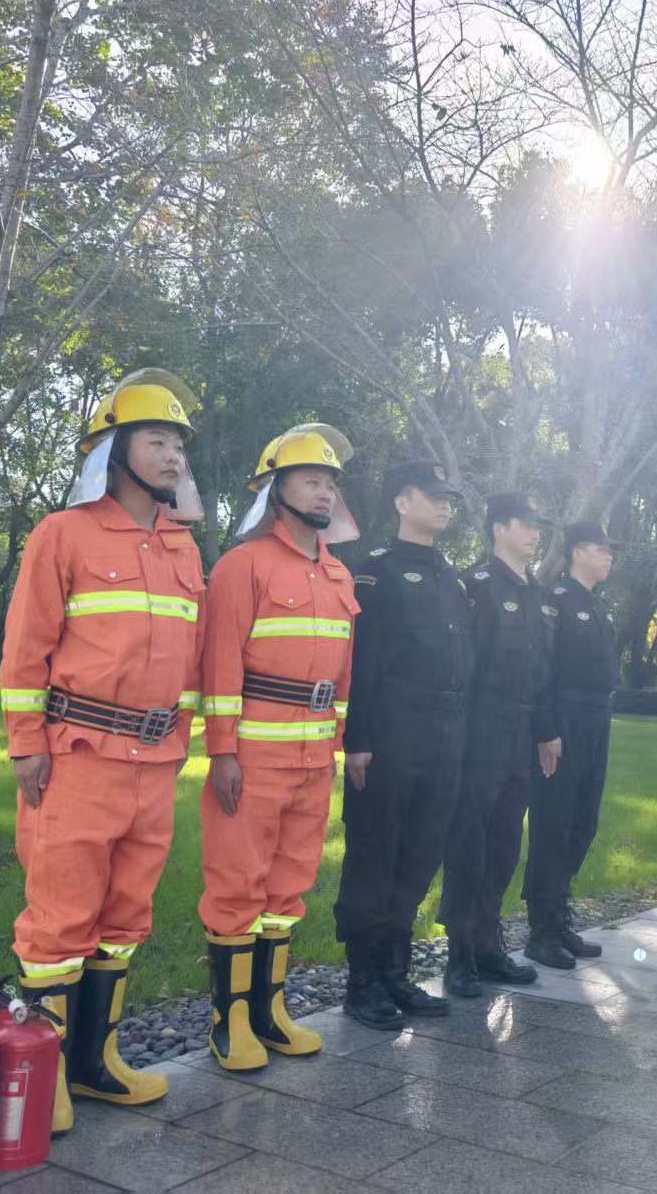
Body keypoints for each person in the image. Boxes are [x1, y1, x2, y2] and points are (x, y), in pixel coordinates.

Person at [0, 368, 205, 1132]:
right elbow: (25, 648)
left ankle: (95, 1063)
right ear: (112, 452)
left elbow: (190, 659)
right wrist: (26, 744)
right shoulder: (63, 534)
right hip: (78, 754)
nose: (173, 455)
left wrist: (181, 741)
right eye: (157, 439)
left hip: (154, 764)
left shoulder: (184, 548)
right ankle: (42, 1078)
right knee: (59, 918)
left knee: (125, 915)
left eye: (179, 443)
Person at [197, 424, 361, 1070]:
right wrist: (223, 752)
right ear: (275, 489)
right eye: (311, 480)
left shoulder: (339, 573)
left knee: (288, 887)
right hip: (254, 757)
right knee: (238, 884)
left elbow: (342, 675)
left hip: (314, 758)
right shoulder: (243, 565)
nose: (324, 492)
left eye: (330, 483)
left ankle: (271, 1011)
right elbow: (220, 664)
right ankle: (230, 1020)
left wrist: (336, 745)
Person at [333, 460, 471, 1030]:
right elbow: (361, 662)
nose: (444, 505)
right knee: (376, 854)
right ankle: (362, 979)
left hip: (444, 736)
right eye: (432, 496)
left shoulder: (451, 578)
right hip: (391, 734)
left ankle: (395, 970)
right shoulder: (373, 573)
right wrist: (359, 738)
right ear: (402, 502)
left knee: (420, 853)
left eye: (448, 498)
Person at [440, 492, 560, 998]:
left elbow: (544, 671)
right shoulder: (474, 586)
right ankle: (459, 954)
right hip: (481, 728)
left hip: (523, 731)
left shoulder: (538, 594)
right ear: (498, 529)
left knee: (506, 842)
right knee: (469, 841)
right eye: (525, 524)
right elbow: (459, 667)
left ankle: (488, 945)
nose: (535, 534)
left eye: (537, 526)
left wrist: (547, 732)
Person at [523, 522, 619, 969]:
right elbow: (541, 670)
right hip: (565, 718)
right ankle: (541, 930)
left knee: (584, 822)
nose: (609, 556)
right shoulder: (555, 601)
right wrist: (547, 730)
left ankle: (559, 918)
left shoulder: (598, 605)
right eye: (602, 549)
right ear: (578, 552)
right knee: (554, 823)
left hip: (598, 718)